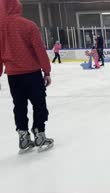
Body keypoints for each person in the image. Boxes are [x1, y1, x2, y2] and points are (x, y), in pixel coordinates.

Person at [0, 0, 54, 153]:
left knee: (19, 106)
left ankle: (23, 137)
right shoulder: (28, 25)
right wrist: (47, 71)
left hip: (13, 76)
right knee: (39, 104)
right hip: (31, 74)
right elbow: (39, 50)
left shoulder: (0, 28)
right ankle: (40, 134)